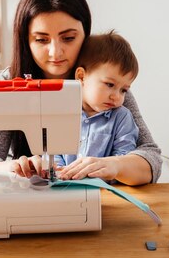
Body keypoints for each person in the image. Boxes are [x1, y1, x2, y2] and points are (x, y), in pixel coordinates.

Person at [0, 0, 161, 185]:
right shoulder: (8, 84)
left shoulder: (105, 84)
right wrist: (16, 167)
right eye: (41, 40)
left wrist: (116, 165)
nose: (55, 52)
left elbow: (151, 158)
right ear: (25, 40)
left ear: (85, 33)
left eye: (68, 38)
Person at [54, 31, 139, 179]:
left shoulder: (121, 117)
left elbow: (123, 156)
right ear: (81, 76)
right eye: (109, 84)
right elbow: (53, 153)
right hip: (64, 186)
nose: (116, 96)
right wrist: (60, 171)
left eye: (123, 90)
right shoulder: (61, 113)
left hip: (104, 191)